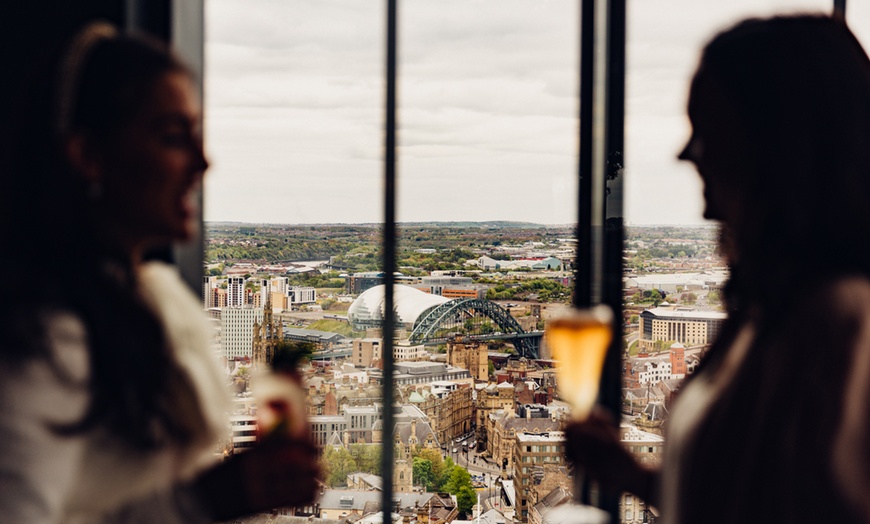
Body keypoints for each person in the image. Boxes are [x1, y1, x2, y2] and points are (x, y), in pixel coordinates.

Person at [0, 22, 319, 523]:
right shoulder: (46, 336)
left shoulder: (139, 300)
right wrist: (206, 501)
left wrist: (226, 493)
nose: (202, 161)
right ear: (88, 155)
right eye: (173, 136)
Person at [565, 14, 870, 523]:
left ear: (781, 147)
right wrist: (633, 476)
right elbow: (758, 497)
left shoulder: (839, 321)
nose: (688, 153)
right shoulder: (772, 304)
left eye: (709, 130)